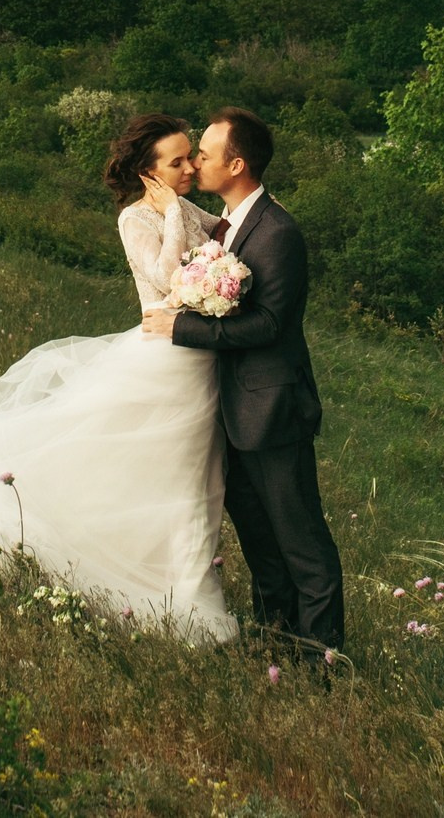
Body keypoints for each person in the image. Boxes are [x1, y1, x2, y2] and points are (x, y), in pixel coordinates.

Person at [0, 113, 237, 643]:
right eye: (177, 161)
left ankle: (182, 586)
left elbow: (225, 234)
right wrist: (168, 217)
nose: (189, 167)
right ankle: (162, 594)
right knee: (165, 476)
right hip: (162, 358)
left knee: (193, 480)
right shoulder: (136, 219)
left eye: (191, 157)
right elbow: (168, 279)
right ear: (149, 173)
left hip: (196, 358)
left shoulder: (181, 205)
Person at [141, 107, 345, 654]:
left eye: (204, 154)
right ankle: (275, 640)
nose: (196, 162)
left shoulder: (277, 230)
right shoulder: (227, 226)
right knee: (259, 542)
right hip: (230, 409)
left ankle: (324, 656)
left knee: (300, 540)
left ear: (236, 163)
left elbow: (271, 324)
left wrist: (182, 326)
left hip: (272, 409)